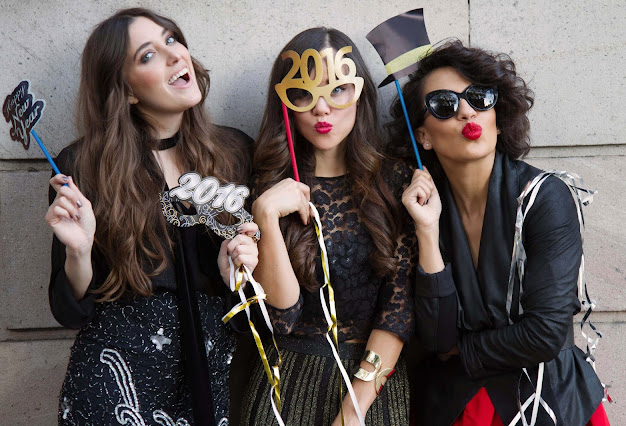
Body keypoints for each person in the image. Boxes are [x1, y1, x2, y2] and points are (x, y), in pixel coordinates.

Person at [45, 8, 258, 425]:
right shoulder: (83, 166)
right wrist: (79, 252)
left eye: (172, 39)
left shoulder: (234, 154)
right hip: (113, 387)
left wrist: (238, 274)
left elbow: (260, 306)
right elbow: (70, 312)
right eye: (148, 55)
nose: (175, 54)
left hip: (207, 381)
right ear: (125, 91)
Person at [391, 40, 609, 425]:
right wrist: (426, 230)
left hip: (548, 404)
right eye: (444, 104)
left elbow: (545, 334)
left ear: (497, 114)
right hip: (458, 407)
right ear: (424, 136)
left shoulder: (545, 197)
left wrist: (462, 350)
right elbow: (437, 339)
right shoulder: (420, 207)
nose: (467, 111)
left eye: (479, 97)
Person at [240, 27, 415, 426]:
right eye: (303, 93)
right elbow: (281, 318)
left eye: (337, 90)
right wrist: (265, 214)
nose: (322, 109)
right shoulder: (262, 185)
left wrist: (352, 414)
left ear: (360, 94)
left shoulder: (396, 183)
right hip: (282, 389)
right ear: (285, 104)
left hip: (372, 390)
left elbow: (398, 313)